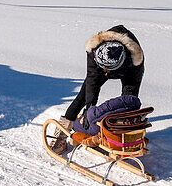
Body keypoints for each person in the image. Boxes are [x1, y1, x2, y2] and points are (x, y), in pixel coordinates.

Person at [51, 25, 145, 154]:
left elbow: (130, 94)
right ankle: (61, 135)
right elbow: (92, 83)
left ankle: (122, 136)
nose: (104, 72)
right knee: (83, 97)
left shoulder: (134, 60)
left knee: (129, 102)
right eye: (102, 68)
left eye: (107, 69)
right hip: (103, 65)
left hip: (128, 69)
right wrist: (89, 108)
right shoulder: (94, 50)